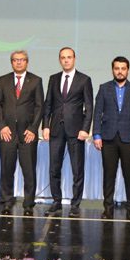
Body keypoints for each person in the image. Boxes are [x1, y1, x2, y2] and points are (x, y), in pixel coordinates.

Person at [92, 56, 130, 220]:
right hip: (108, 138)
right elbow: (97, 113)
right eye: (117, 68)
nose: (120, 71)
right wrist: (96, 134)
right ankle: (108, 209)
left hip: (129, 139)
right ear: (113, 70)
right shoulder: (104, 88)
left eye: (123, 68)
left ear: (128, 70)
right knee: (109, 176)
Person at [42, 47, 94, 218]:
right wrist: (45, 125)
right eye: (63, 57)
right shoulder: (53, 79)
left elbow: (89, 107)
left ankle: (75, 204)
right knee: (54, 168)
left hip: (76, 131)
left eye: (69, 57)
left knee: (77, 170)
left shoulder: (84, 79)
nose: (66, 60)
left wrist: (85, 128)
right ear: (60, 60)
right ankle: (56, 202)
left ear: (74, 59)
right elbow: (48, 104)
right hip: (56, 129)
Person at [0, 50, 44, 216]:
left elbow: (39, 107)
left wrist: (33, 128)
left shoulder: (36, 80)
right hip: (7, 133)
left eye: (22, 60)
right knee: (6, 170)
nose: (19, 62)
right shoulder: (3, 80)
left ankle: (28, 204)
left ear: (27, 62)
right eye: (15, 60)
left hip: (27, 134)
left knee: (29, 171)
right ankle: (7, 201)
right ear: (11, 63)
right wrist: (1, 126)